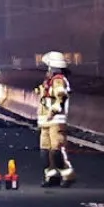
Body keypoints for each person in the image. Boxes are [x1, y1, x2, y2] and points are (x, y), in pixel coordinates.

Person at [36, 51, 75, 187]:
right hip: (46, 122)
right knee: (45, 152)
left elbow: (61, 97)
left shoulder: (58, 80)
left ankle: (67, 175)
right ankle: (52, 176)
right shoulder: (49, 82)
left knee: (56, 151)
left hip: (56, 121)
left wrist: (53, 111)